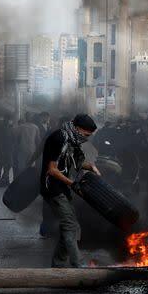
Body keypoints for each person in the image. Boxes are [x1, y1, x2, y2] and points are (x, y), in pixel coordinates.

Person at [40, 114, 99, 268]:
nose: (87, 138)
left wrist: (90, 166)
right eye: (86, 135)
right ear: (78, 129)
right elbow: (52, 170)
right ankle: (78, 264)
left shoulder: (70, 139)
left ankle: (58, 265)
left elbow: (72, 161)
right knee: (70, 225)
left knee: (71, 226)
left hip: (61, 188)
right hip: (52, 188)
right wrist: (72, 183)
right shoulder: (59, 138)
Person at [0, 116, 15, 187]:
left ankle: (4, 179)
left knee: (8, 164)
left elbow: (11, 139)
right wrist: (1, 150)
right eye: (8, 121)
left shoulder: (8, 129)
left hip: (8, 149)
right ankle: (0, 180)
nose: (9, 122)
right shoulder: (1, 129)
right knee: (2, 164)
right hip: (3, 150)